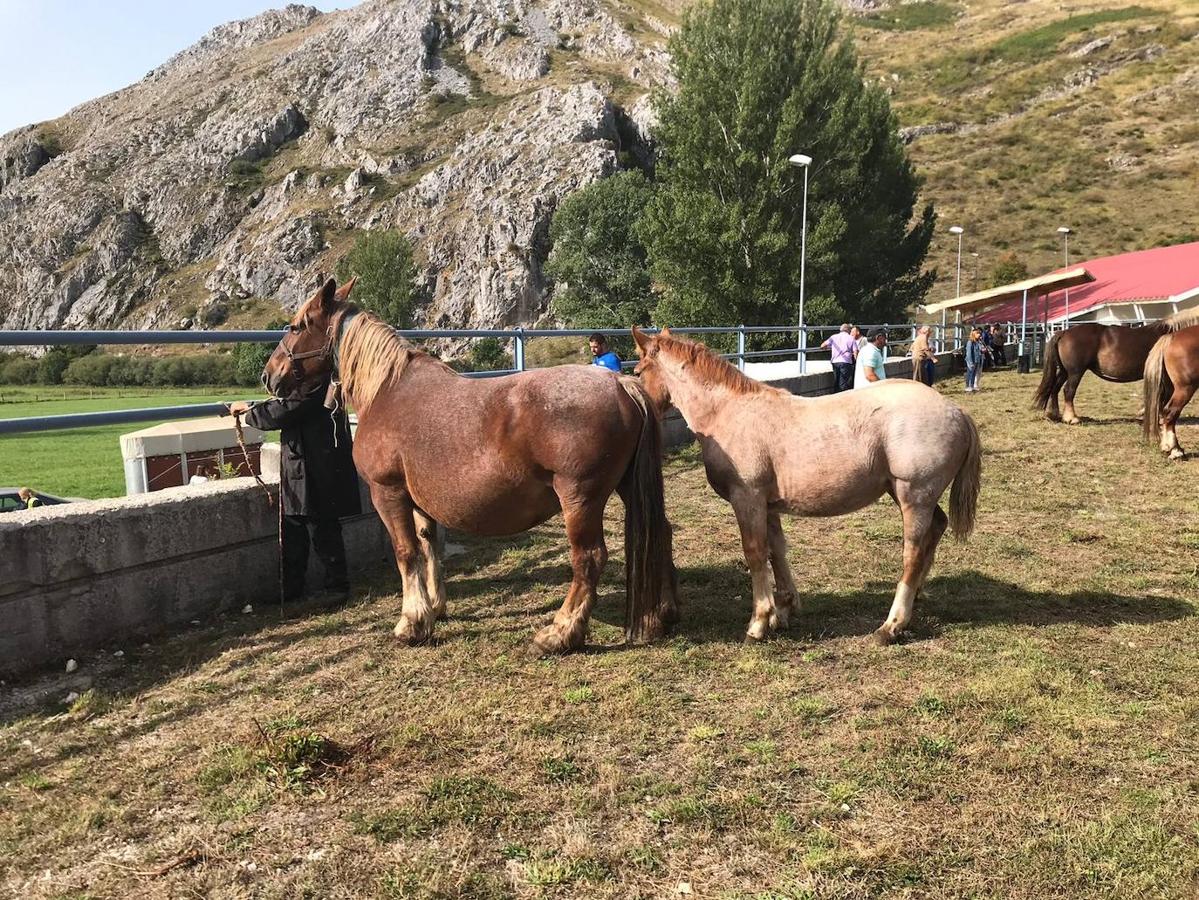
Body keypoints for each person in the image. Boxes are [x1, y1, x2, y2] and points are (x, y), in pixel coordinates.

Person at [226, 375, 361, 606]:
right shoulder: (323, 377)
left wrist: (248, 411)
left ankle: (331, 588)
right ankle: (299, 588)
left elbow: (284, 409)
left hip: (312, 463)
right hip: (312, 461)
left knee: (316, 525)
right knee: (304, 525)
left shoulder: (314, 381)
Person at [820, 323, 858, 393]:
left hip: (835, 361)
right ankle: (842, 398)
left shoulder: (833, 337)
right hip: (846, 362)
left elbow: (822, 346)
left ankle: (836, 395)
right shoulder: (851, 338)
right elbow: (855, 352)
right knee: (843, 382)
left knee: (836, 380)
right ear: (848, 330)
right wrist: (856, 362)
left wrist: (827, 348)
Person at [965, 328, 984, 393]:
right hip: (972, 361)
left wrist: (982, 351)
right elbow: (969, 353)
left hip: (977, 360)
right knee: (970, 373)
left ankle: (972, 386)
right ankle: (968, 387)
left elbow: (979, 351)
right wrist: (970, 362)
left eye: (980, 333)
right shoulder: (970, 342)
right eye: (977, 333)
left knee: (973, 374)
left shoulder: (978, 342)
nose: (979, 335)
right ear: (973, 334)